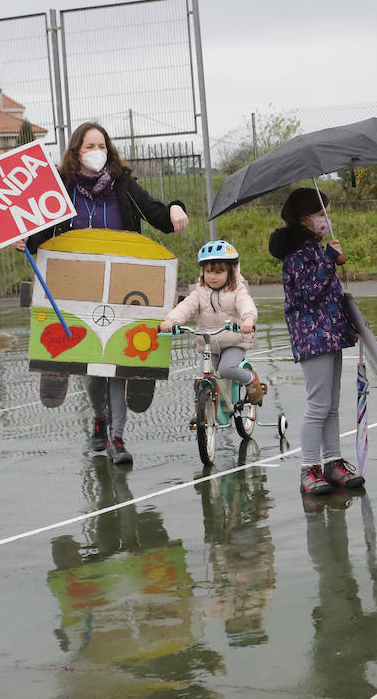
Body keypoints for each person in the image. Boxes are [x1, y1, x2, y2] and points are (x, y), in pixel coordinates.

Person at [22, 122, 189, 464]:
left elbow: (156, 213)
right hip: (75, 288)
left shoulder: (124, 187)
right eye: (89, 146)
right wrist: (24, 239)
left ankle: (117, 438)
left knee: (118, 363)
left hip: (123, 286)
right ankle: (99, 416)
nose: (96, 152)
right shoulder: (61, 188)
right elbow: (39, 237)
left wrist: (174, 208)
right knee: (92, 367)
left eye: (101, 145)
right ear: (76, 151)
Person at [268, 187, 362, 496]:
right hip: (313, 337)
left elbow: (330, 295)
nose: (327, 218)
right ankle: (309, 467)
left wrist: (350, 324)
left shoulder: (316, 249)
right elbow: (309, 292)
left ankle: (333, 462)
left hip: (331, 333)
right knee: (318, 405)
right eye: (322, 213)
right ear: (305, 219)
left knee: (331, 406)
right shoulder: (297, 256)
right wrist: (329, 261)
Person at [159, 239, 263, 404]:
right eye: (208, 272)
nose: (212, 277)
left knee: (227, 369)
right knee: (201, 379)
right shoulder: (199, 291)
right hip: (210, 344)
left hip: (234, 342)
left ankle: (250, 379)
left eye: (218, 272)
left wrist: (248, 319)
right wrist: (171, 321)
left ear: (232, 271)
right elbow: (186, 307)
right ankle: (204, 416)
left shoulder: (238, 290)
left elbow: (246, 304)